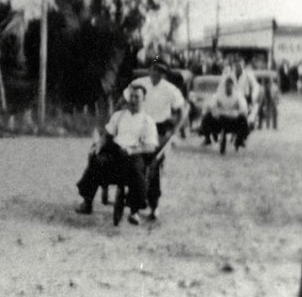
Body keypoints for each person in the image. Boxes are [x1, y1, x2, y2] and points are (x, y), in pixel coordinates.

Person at [75, 85, 158, 225]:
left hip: (133, 154)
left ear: (144, 99)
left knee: (137, 171)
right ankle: (87, 202)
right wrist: (98, 145)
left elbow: (151, 146)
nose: (132, 100)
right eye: (131, 96)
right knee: (96, 160)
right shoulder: (119, 115)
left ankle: (134, 211)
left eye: (137, 97)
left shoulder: (147, 121)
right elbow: (106, 135)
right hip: (116, 153)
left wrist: (132, 150)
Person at [122, 59, 185, 219]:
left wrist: (175, 131)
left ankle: (153, 204)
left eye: (160, 71)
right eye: (154, 69)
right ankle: (135, 201)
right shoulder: (138, 83)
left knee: (153, 164)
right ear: (149, 69)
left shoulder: (171, 90)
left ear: (164, 74)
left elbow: (181, 111)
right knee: (134, 161)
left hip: (159, 129)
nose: (156, 73)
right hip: (137, 125)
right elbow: (123, 102)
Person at [200, 75, 250, 151]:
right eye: (227, 86)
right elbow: (211, 105)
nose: (228, 88)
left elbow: (244, 108)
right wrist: (214, 111)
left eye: (230, 86)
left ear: (233, 86)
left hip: (233, 120)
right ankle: (207, 139)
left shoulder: (238, 96)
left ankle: (239, 140)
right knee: (206, 117)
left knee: (244, 121)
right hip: (220, 119)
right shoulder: (219, 95)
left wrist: (239, 111)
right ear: (224, 86)